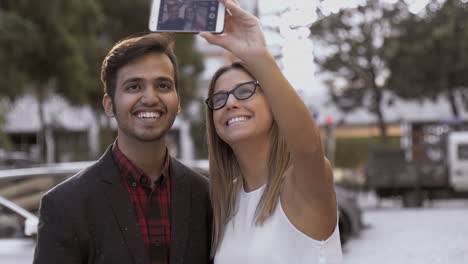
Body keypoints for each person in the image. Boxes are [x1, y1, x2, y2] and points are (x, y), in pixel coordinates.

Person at [33, 33, 212, 264]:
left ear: (177, 101)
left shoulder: (205, 197)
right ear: (109, 105)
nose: (150, 97)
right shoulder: (65, 205)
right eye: (134, 86)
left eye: (163, 85)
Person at [200, 0, 343, 263]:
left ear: (273, 104)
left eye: (244, 92)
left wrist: (258, 54)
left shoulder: (301, 183)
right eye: (219, 99)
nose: (230, 103)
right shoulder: (226, 200)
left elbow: (308, 146)